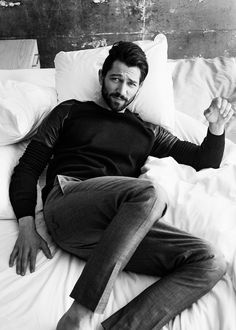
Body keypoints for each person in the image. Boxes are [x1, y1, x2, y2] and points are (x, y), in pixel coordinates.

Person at [9, 41, 233, 330]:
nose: (122, 90)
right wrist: (27, 225)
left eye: (131, 83)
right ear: (103, 76)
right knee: (149, 193)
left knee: (211, 261)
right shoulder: (70, 112)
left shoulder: (148, 131)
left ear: (139, 88)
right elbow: (28, 167)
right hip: (70, 202)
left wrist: (216, 128)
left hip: (120, 231)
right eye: (116, 79)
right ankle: (80, 314)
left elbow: (204, 162)